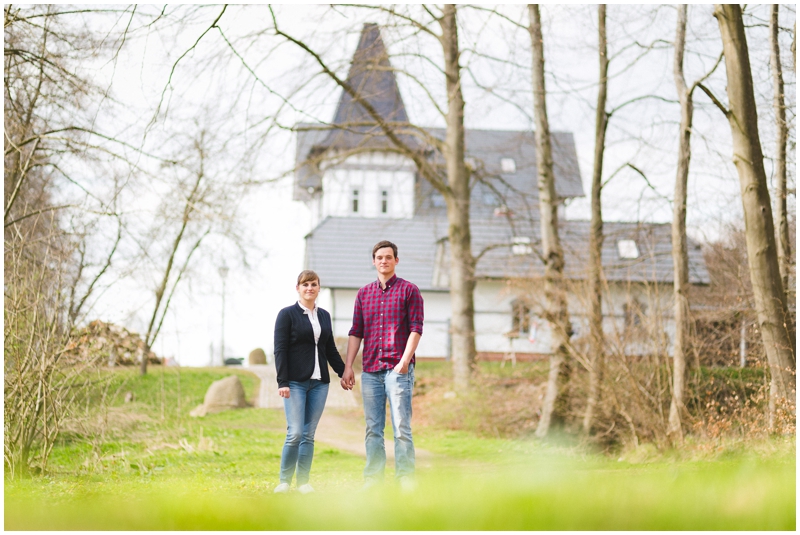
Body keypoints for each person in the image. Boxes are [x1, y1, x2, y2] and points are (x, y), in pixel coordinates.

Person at [341, 240, 423, 491]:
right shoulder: (364, 294)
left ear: (396, 260)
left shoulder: (410, 290)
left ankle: (405, 478)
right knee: (373, 429)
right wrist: (348, 366)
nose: (384, 261)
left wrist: (404, 362)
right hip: (371, 371)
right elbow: (356, 332)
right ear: (373, 261)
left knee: (401, 427)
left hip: (398, 369)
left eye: (388, 257)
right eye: (379, 257)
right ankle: (373, 480)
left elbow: (416, 328)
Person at [273, 270, 345, 494]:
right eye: (305, 284)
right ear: (298, 288)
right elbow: (280, 350)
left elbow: (330, 349)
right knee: (294, 432)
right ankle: (284, 481)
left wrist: (344, 372)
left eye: (314, 284)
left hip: (319, 383)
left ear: (319, 288)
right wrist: (282, 381)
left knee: (308, 434)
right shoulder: (287, 315)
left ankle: (303, 482)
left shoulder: (323, 315)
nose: (309, 288)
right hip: (294, 382)